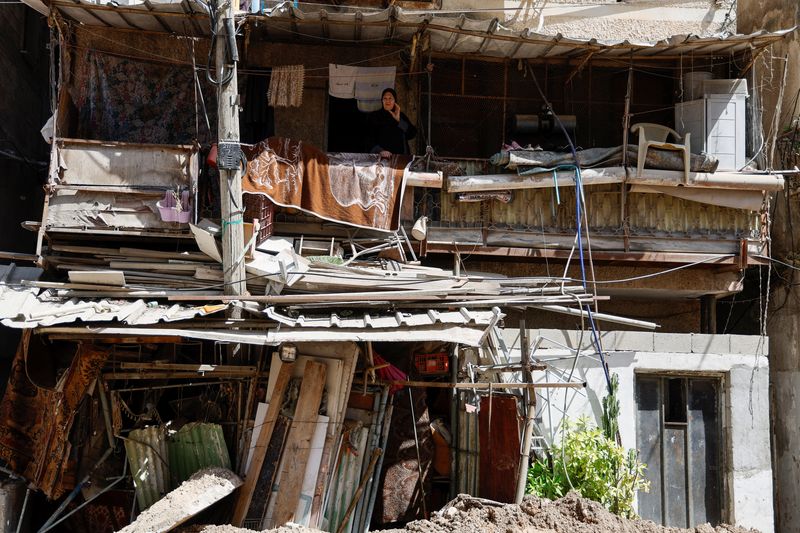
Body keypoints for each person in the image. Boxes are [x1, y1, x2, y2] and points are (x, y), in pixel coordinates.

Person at [366, 88, 417, 158]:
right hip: (380, 158)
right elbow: (368, 138)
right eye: (385, 98)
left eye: (390, 98)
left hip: (400, 157)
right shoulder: (375, 116)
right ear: (382, 101)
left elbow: (412, 134)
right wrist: (380, 151)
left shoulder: (401, 116)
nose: (388, 101)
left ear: (395, 101)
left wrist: (399, 120)